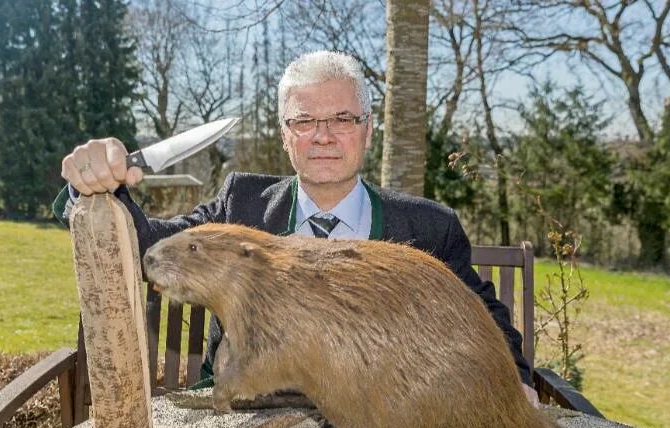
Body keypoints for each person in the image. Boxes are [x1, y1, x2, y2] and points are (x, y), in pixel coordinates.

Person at [56, 50, 538, 404]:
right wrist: (96, 187)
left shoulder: (428, 228)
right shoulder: (241, 204)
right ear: (286, 136)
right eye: (304, 120)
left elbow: (481, 315)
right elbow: (146, 249)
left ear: (368, 130)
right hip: (242, 416)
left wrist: (515, 382)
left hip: (382, 425)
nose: (324, 135)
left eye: (342, 119)